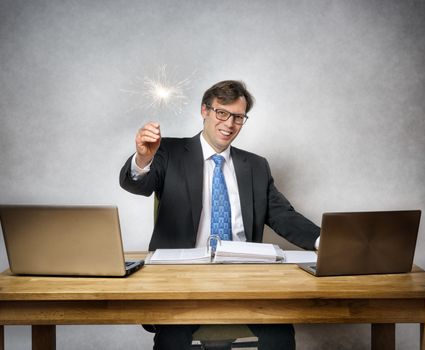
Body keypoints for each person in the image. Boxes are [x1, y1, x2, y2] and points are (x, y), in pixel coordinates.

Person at [120, 80, 320, 350]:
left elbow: (283, 216)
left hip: (246, 280)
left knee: (280, 334)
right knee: (172, 342)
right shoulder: (168, 151)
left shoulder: (256, 166)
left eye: (238, 117)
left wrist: (326, 242)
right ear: (205, 111)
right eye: (222, 113)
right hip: (181, 281)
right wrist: (143, 159)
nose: (229, 123)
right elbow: (136, 184)